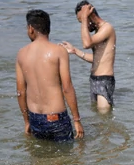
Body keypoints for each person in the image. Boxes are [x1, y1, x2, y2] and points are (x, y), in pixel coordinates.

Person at [15, 9, 84, 142]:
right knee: (65, 157)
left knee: (39, 159)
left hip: (35, 117)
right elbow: (67, 88)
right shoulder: (59, 51)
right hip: (56, 117)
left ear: (30, 28)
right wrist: (76, 120)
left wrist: (26, 121)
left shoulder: (21, 54)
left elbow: (20, 91)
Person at [60, 1, 116, 112]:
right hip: (94, 80)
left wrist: (85, 17)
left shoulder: (107, 28)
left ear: (90, 15)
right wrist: (75, 51)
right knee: (98, 117)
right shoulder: (97, 31)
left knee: (104, 117)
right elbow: (97, 59)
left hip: (104, 80)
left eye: (83, 21)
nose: (83, 25)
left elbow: (86, 44)